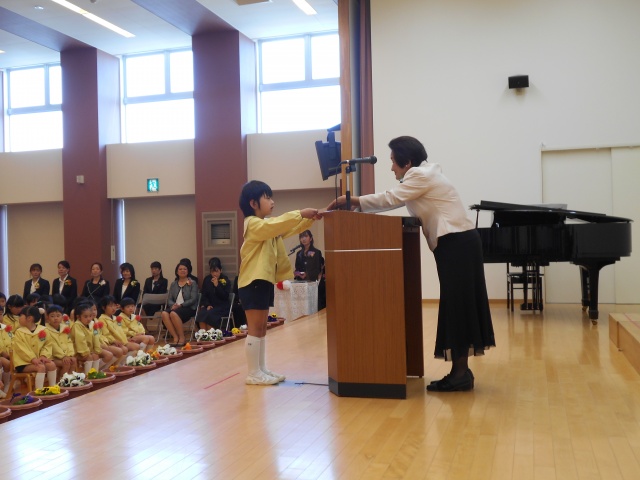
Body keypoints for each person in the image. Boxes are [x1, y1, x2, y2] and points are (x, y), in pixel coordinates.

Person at [326, 135, 495, 392]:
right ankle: (461, 371)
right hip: (459, 243)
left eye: (393, 161)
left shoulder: (419, 175)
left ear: (407, 162)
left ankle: (460, 373)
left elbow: (391, 198)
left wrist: (355, 200)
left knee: (457, 306)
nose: (391, 167)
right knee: (458, 305)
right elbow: (397, 199)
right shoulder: (425, 174)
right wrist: (358, 207)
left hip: (456, 244)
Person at [238, 180, 322, 385]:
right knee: (255, 328)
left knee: (262, 328)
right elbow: (279, 224)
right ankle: (253, 373)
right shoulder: (253, 224)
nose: (272, 202)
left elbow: (288, 228)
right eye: (267, 198)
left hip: (263, 281)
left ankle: (261, 369)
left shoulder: (267, 226)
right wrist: (300, 213)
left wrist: (309, 219)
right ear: (253, 203)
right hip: (252, 281)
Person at [13, 306, 57, 390]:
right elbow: (21, 349)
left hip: (38, 360)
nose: (19, 318)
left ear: (29, 318)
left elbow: (47, 345)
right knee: (41, 367)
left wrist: (43, 356)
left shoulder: (43, 330)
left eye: (21, 316)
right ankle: (38, 392)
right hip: (23, 363)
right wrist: (32, 358)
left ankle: (53, 388)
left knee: (51, 365)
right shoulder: (19, 332)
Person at [161, 261, 199, 346]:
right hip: (175, 307)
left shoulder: (192, 283)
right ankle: (175, 337)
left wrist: (181, 305)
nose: (182, 271)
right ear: (177, 271)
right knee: (164, 313)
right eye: (180, 269)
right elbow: (169, 299)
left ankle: (182, 337)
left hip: (188, 307)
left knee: (173, 314)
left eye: (185, 269)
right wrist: (173, 305)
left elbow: (193, 299)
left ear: (188, 271)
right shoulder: (173, 284)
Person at [70, 302, 111, 374]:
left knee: (96, 356)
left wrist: (97, 350)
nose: (89, 319)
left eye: (90, 316)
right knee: (89, 357)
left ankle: (94, 375)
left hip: (90, 350)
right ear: (78, 317)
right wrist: (85, 353)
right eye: (85, 317)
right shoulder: (77, 325)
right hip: (78, 351)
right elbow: (81, 340)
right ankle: (87, 376)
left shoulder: (92, 324)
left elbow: (96, 337)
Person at [44, 304, 78, 379]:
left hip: (65, 355)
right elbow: (52, 345)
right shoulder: (45, 330)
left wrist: (70, 355)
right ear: (48, 318)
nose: (55, 318)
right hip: (52, 357)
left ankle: (70, 380)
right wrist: (63, 356)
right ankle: (62, 381)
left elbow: (69, 342)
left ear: (62, 317)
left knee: (73, 361)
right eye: (52, 316)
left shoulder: (65, 328)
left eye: (58, 316)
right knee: (66, 363)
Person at [197, 257, 232, 330]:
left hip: (221, 306)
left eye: (216, 271)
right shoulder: (207, 279)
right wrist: (207, 305)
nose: (214, 274)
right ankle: (203, 334)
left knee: (210, 315)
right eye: (212, 272)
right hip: (210, 305)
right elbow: (204, 294)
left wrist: (217, 286)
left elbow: (225, 296)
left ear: (221, 270)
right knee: (202, 314)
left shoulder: (225, 280)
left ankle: (211, 334)